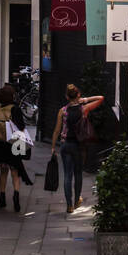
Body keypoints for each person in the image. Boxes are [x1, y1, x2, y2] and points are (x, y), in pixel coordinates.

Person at [51, 84, 104, 214]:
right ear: (78, 95)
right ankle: (76, 201)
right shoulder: (84, 109)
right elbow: (100, 98)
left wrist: (53, 146)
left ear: (66, 96)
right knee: (78, 173)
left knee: (67, 175)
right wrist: (85, 100)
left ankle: (68, 205)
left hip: (65, 145)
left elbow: (57, 130)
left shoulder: (62, 111)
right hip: (79, 146)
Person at [0, 84, 33, 212]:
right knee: (15, 172)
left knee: (3, 172)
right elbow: (20, 127)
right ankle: (16, 196)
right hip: (13, 146)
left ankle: (2, 198)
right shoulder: (15, 110)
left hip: (0, 146)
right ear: (12, 96)